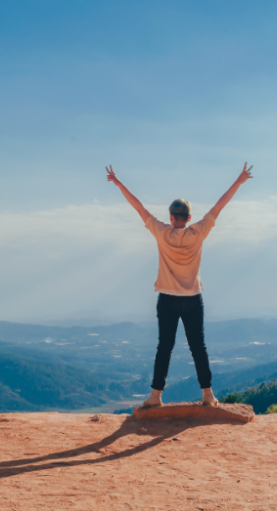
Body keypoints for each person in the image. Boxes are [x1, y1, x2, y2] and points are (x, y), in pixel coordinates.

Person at [105, 162, 253, 408]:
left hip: (167, 298)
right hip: (193, 297)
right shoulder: (199, 232)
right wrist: (239, 181)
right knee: (198, 347)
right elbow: (219, 205)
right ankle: (207, 395)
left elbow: (139, 208)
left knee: (165, 347)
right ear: (189, 218)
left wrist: (119, 183)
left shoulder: (161, 232)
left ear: (171, 217)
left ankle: (155, 396)